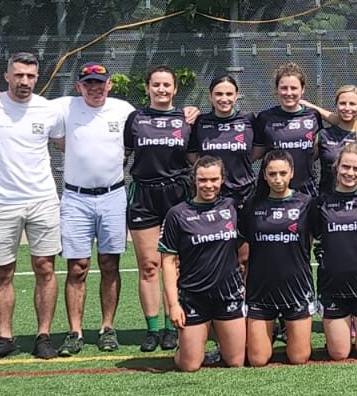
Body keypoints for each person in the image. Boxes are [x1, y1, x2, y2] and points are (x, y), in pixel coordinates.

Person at [0, 52, 65, 361]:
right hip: (2, 202)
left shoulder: (49, 109)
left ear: (37, 78)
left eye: (30, 76)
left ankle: (44, 336)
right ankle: (4, 338)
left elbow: (63, 142)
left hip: (43, 200)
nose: (24, 81)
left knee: (45, 268)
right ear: (7, 76)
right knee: (3, 272)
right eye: (18, 75)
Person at [50, 62, 134, 356]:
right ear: (79, 86)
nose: (95, 89)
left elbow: (140, 135)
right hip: (75, 198)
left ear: (109, 84)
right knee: (77, 267)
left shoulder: (123, 109)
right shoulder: (64, 107)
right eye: (89, 84)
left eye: (100, 83)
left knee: (110, 263)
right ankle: (75, 331)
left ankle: (107, 327)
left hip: (113, 195)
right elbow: (29, 111)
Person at [126, 66, 192, 353]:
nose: (162, 90)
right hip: (144, 195)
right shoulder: (135, 118)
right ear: (147, 87)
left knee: (175, 264)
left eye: (167, 85)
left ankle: (171, 326)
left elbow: (195, 158)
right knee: (149, 265)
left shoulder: (187, 119)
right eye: (156, 85)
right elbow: (123, 154)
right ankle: (152, 329)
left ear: (175, 89)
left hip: (177, 194)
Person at [160, 156, 246, 372]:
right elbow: (168, 263)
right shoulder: (177, 214)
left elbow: (246, 251)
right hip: (194, 296)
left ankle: (217, 340)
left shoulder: (233, 207)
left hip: (228, 294)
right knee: (190, 365)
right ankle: (187, 346)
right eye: (203, 180)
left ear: (222, 179)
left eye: (214, 180)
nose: (209, 185)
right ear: (194, 181)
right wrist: (173, 305)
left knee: (235, 361)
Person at [241, 150, 315, 367]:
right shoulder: (252, 205)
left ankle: (285, 329)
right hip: (260, 290)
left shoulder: (307, 204)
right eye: (272, 174)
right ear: (264, 174)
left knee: (299, 358)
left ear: (292, 173)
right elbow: (242, 249)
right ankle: (266, 333)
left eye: (283, 173)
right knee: (257, 359)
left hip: (296, 287)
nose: (278, 179)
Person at [312, 143, 357, 360]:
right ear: (337, 167)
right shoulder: (321, 203)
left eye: (356, 169)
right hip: (333, 286)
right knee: (339, 354)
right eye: (346, 167)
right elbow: (313, 237)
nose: (350, 173)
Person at [251, 63, 322, 195]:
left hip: (305, 190)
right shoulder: (265, 118)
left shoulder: (313, 116)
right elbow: (255, 155)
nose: (289, 93)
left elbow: (314, 153)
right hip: (271, 192)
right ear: (276, 89)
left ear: (303, 89)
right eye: (284, 88)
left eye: (294, 88)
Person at [188, 75, 256, 208]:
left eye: (229, 94)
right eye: (218, 94)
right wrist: (210, 174)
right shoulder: (199, 121)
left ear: (236, 96)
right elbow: (192, 155)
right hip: (211, 192)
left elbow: (258, 149)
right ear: (210, 96)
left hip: (244, 193)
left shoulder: (249, 119)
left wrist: (240, 160)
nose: (224, 99)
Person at [307, 84, 357, 193]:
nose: (347, 108)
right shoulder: (323, 135)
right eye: (342, 103)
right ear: (336, 106)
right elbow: (306, 164)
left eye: (352, 104)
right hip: (328, 201)